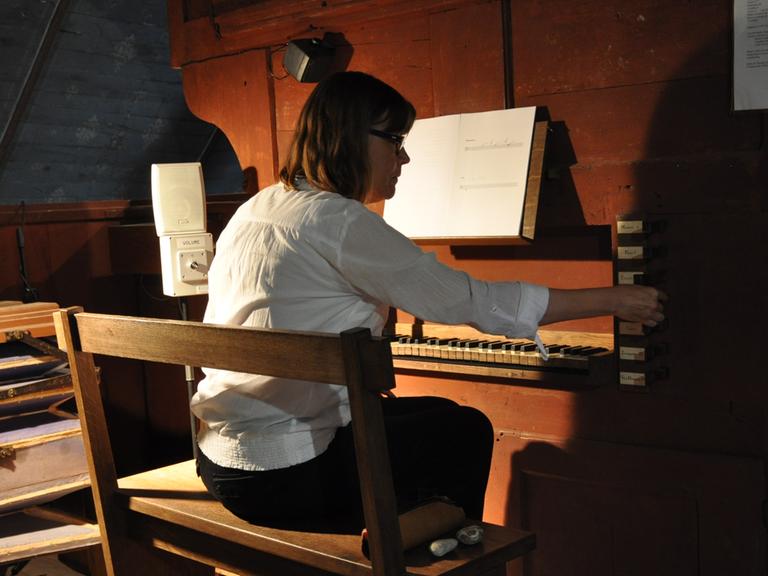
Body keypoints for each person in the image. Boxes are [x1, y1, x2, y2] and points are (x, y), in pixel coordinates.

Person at [191, 71, 665, 529]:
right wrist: (615, 298)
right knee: (466, 433)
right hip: (281, 471)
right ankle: (435, 555)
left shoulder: (259, 206)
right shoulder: (339, 222)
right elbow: (473, 303)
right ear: (353, 138)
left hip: (219, 455)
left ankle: (425, 539)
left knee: (444, 418)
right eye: (395, 141)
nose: (405, 158)